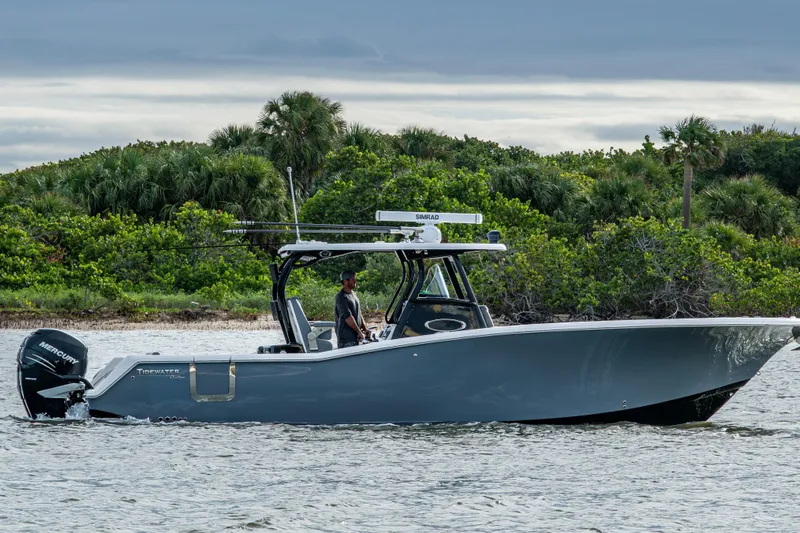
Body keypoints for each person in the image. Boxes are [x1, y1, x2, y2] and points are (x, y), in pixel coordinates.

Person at [335, 270, 369, 349]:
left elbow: (358, 313)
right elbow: (348, 317)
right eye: (352, 279)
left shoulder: (354, 294)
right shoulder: (341, 297)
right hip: (346, 340)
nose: (355, 281)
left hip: (355, 338)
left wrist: (365, 329)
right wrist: (359, 332)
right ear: (345, 281)